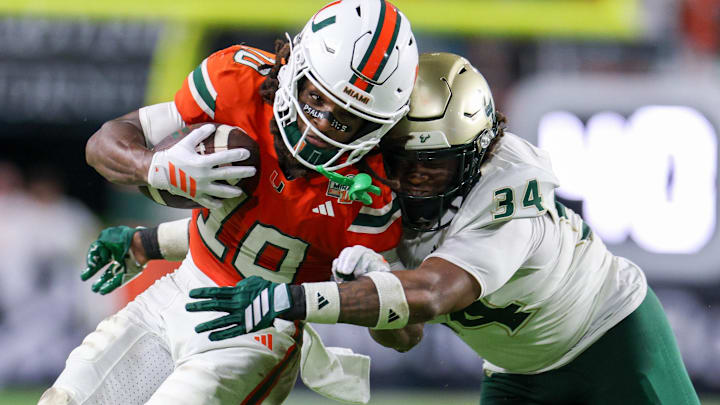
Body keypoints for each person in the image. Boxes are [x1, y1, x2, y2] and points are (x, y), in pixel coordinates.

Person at [184, 52, 701, 404]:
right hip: (517, 372)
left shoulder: (508, 189)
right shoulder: (368, 192)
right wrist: (365, 280)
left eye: (434, 162)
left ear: (477, 153)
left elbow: (432, 294)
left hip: (611, 336)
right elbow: (406, 335)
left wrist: (296, 300)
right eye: (400, 159)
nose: (413, 180)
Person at [39, 1, 418, 404]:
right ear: (291, 64)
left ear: (379, 126)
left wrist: (370, 285)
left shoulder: (372, 187)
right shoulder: (237, 80)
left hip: (258, 333)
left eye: (346, 119)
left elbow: (405, 334)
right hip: (178, 290)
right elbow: (104, 143)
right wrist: (155, 167)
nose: (321, 125)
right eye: (315, 99)